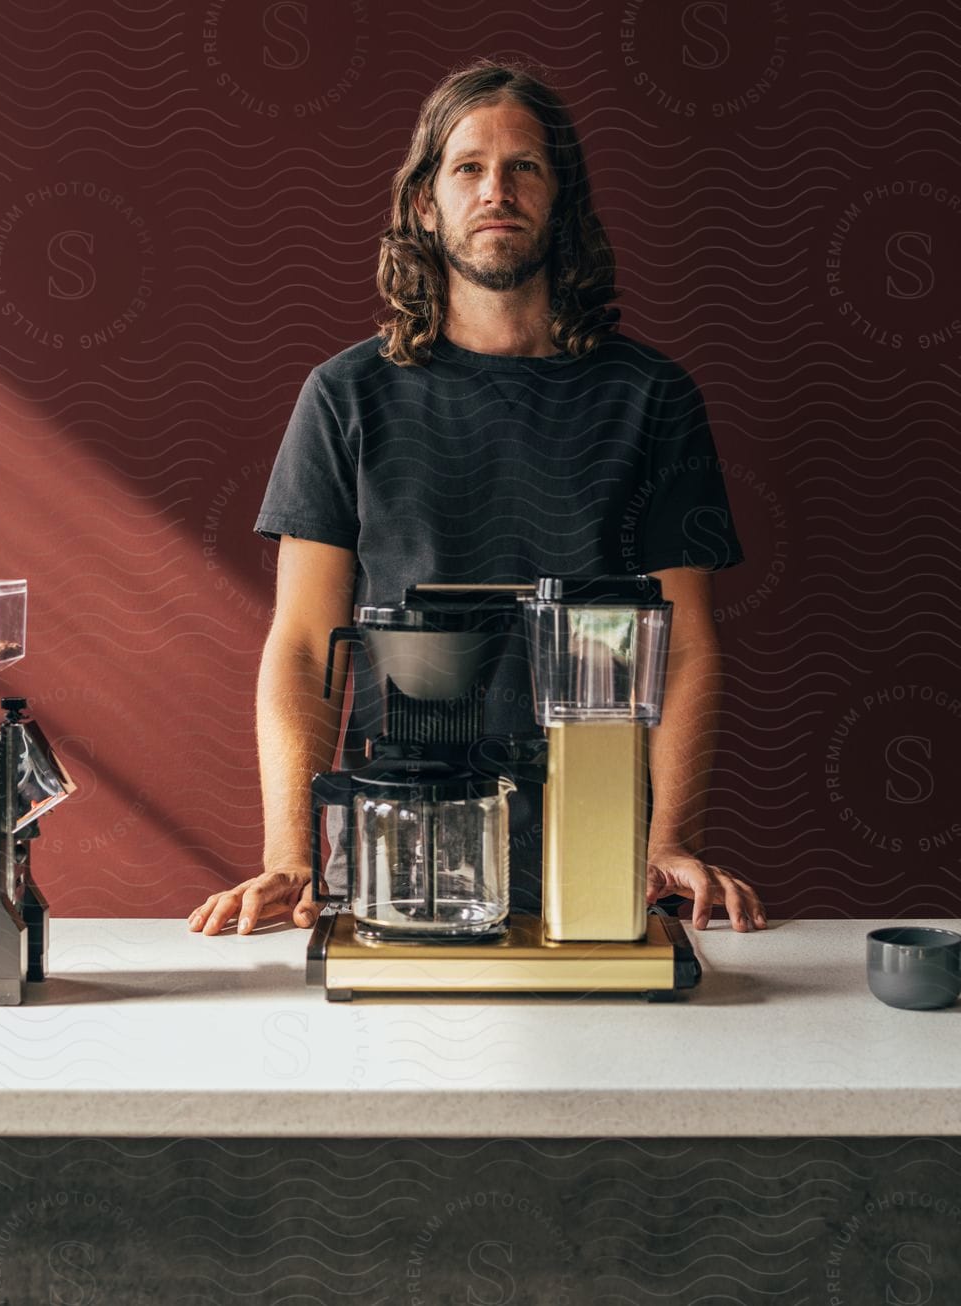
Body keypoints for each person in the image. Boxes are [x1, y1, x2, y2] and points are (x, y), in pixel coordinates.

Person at [187, 61, 766, 939]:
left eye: (524, 167)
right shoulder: (346, 396)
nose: (497, 189)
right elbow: (306, 647)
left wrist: (668, 838)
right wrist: (291, 855)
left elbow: (681, 646)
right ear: (426, 202)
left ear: (559, 198)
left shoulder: (652, 397)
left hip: (601, 856)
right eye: (468, 167)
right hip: (397, 855)